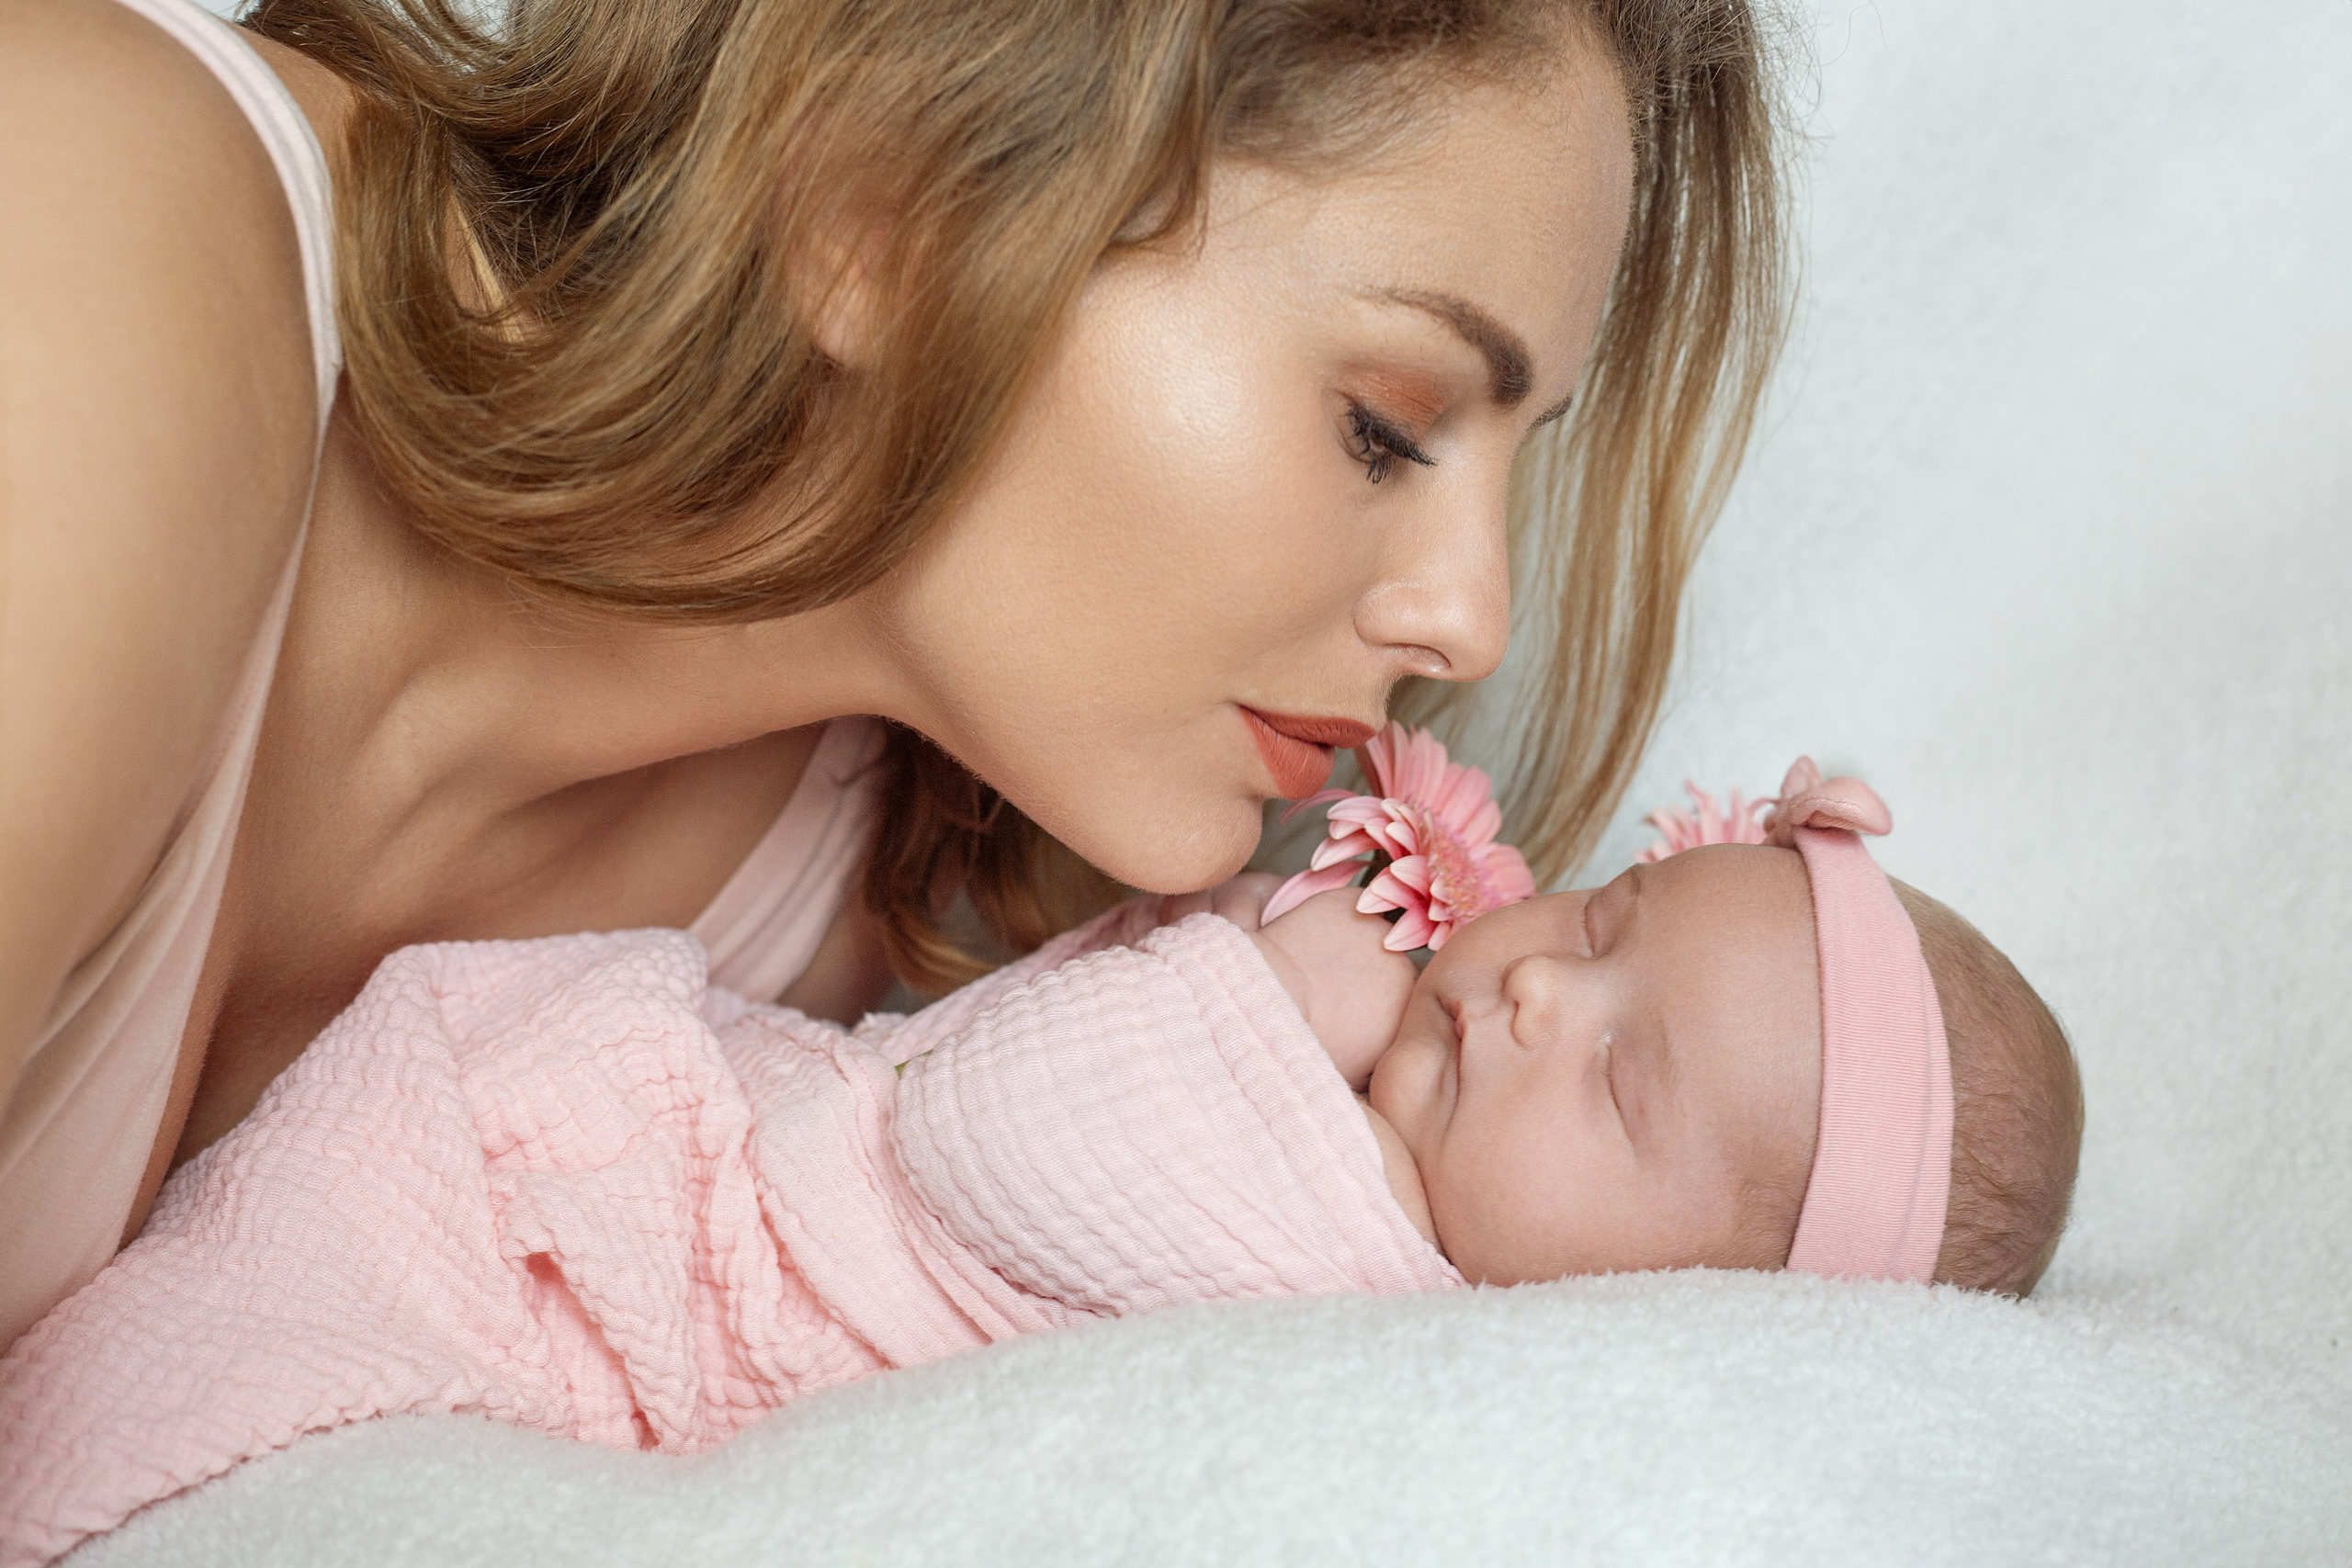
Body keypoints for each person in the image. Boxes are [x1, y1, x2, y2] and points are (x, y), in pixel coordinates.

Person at [0, 0, 1791, 1349]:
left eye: (1514, 462)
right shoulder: (85, 258)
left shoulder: (832, 935)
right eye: (1385, 427)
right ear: (882, 214)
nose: (1469, 624)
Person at [0, 759, 2079, 1566]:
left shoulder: (1366, 1283)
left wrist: (1297, 995)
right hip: (618, 1182)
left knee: (219, 1444)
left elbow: (1004, 1132)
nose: (1538, 994)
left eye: (1623, 1090)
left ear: (1675, 1313)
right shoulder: (1378, 1131)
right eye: (1604, 932)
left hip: (642, 1286)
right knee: (213, 1326)